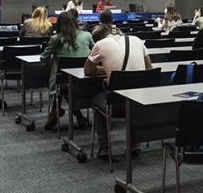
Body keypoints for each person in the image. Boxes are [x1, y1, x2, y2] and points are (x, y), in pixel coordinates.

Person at [85, 26, 152, 158]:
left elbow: (88, 70)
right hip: (140, 101)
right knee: (130, 95)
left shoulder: (99, 45)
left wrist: (108, 71)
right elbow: (149, 69)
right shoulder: (137, 40)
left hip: (117, 104)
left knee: (97, 99)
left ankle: (104, 147)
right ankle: (134, 145)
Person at [41, 12, 94, 131]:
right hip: (85, 80)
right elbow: (96, 52)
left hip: (63, 83)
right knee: (67, 84)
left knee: (63, 82)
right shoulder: (87, 36)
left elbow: (43, 58)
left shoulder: (55, 39)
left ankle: (55, 111)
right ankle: (78, 116)